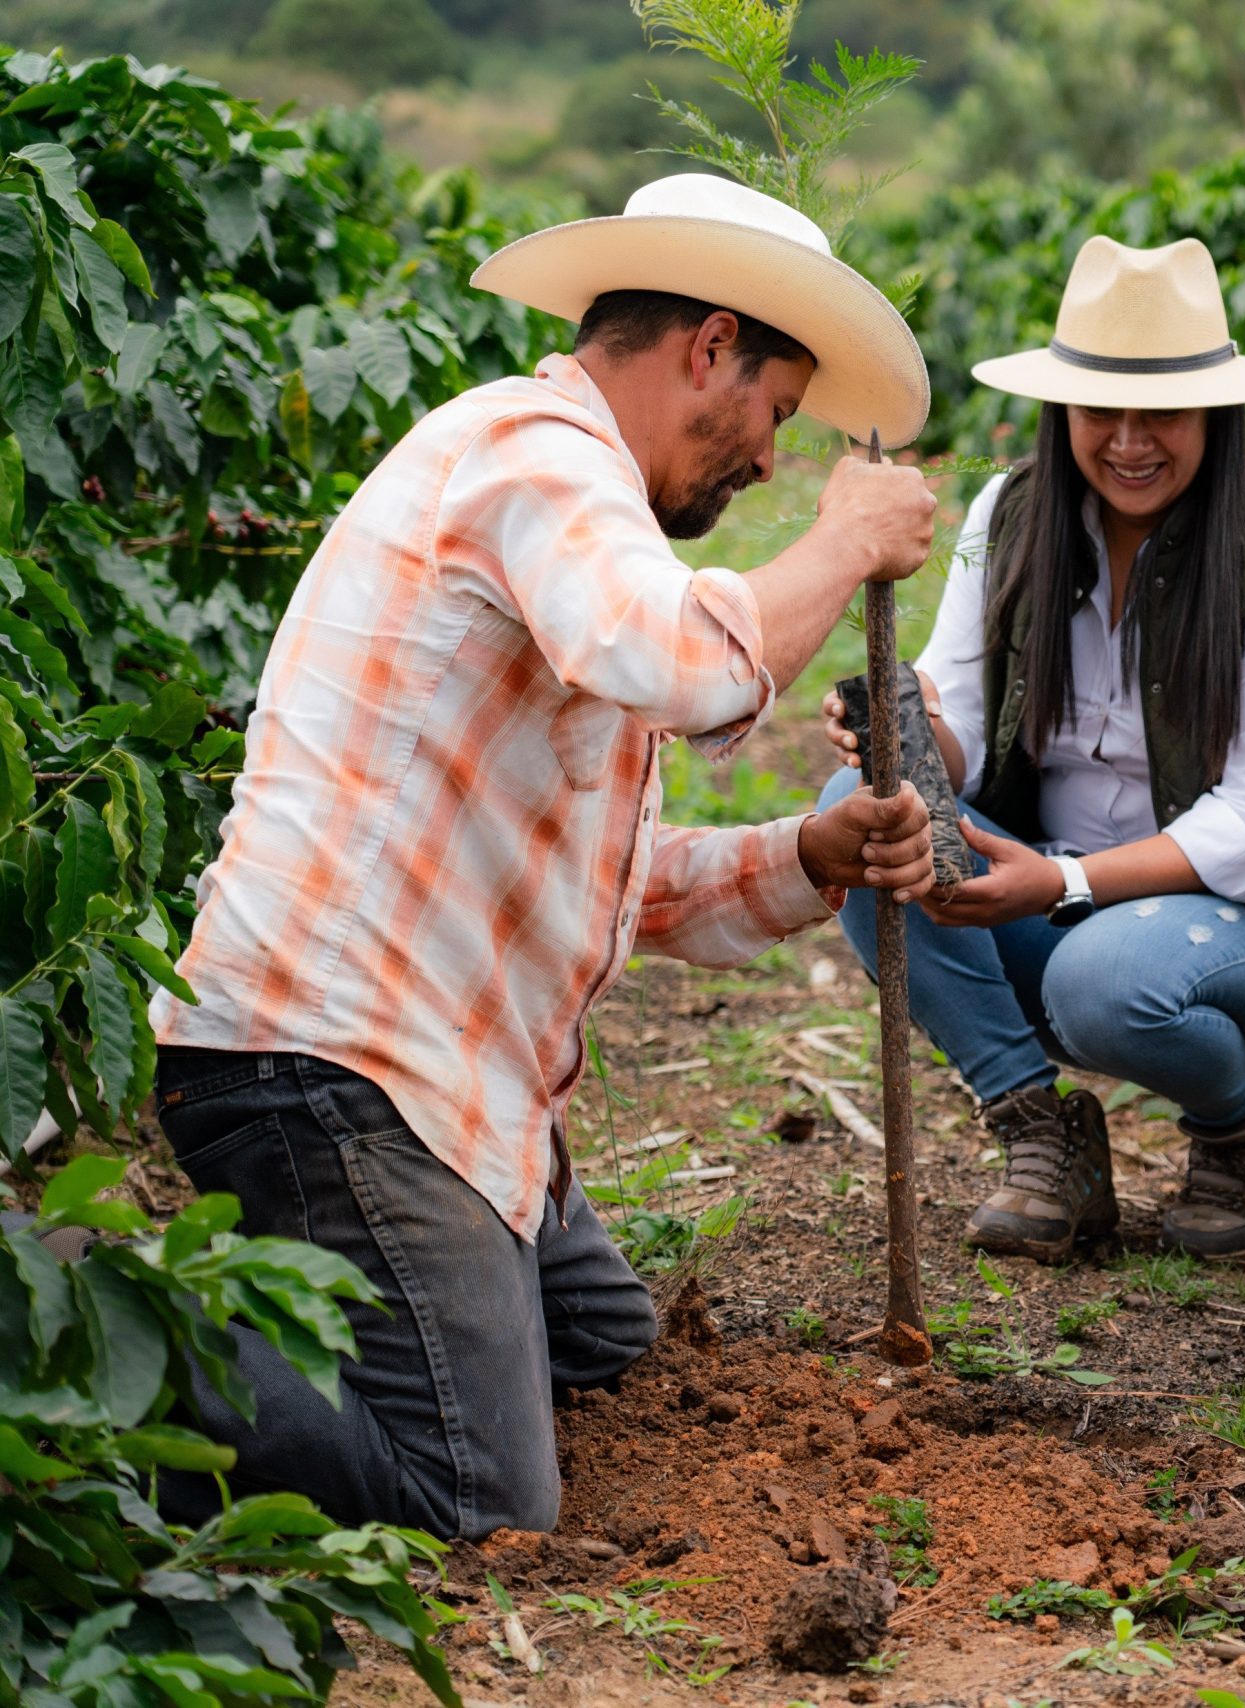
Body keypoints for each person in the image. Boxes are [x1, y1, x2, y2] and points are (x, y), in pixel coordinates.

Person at [145, 175, 943, 1539]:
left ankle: (289, 1321)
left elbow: (599, 876)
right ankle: (81, 1353)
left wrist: (807, 853)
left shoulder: (576, 515)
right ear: (707, 350)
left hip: (433, 1081)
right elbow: (687, 661)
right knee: (481, 1496)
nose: (766, 462)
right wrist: (841, 539)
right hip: (329, 1067)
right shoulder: (533, 452)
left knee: (607, 1354)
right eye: (775, 417)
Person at [819, 235, 1245, 1264]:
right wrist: (902, 732)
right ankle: (1041, 1133)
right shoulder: (1011, 516)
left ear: (1215, 414)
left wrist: (1062, 883)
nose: (1129, 440)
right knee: (859, 816)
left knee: (1102, 981)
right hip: (1061, 898)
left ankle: (1243, 1119)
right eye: (1100, 412)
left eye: (1161, 413)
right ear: (1060, 410)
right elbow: (967, 729)